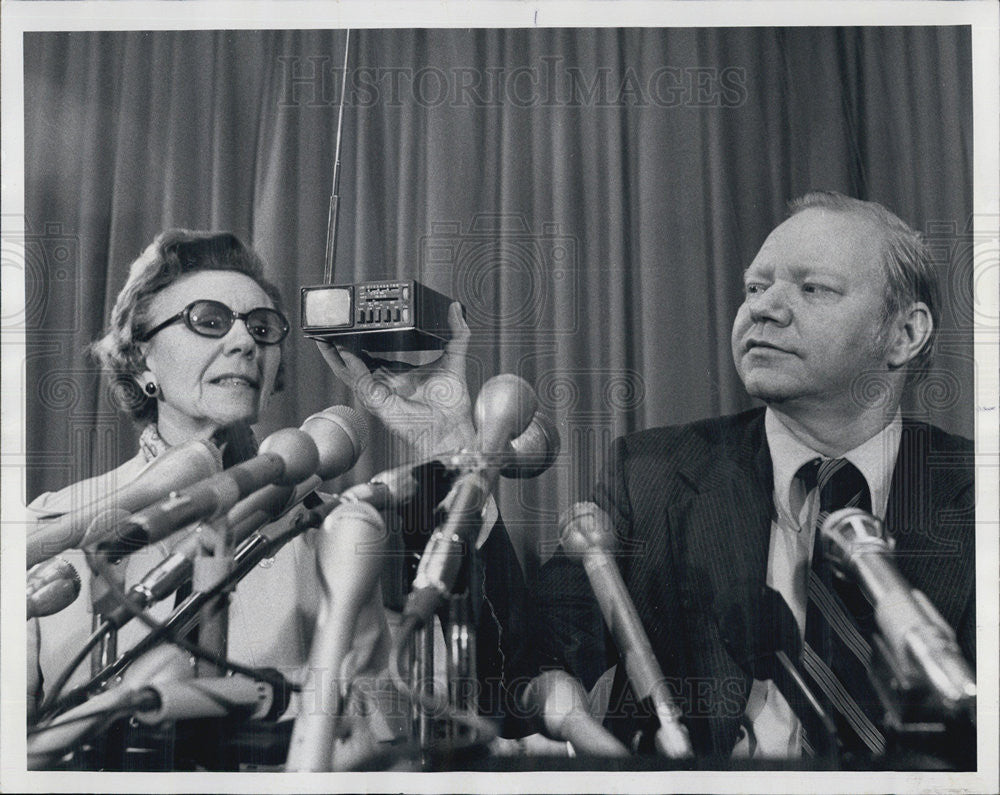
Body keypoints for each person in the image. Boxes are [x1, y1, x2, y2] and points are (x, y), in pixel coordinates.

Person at [28, 229, 530, 760]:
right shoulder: (49, 526)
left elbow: (490, 693)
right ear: (141, 357)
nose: (245, 343)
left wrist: (451, 445)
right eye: (210, 320)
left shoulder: (338, 527)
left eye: (262, 328)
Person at [532, 192, 975, 763]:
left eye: (812, 288)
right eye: (755, 288)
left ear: (904, 334)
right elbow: (524, 651)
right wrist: (450, 450)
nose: (764, 309)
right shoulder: (652, 476)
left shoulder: (978, 495)